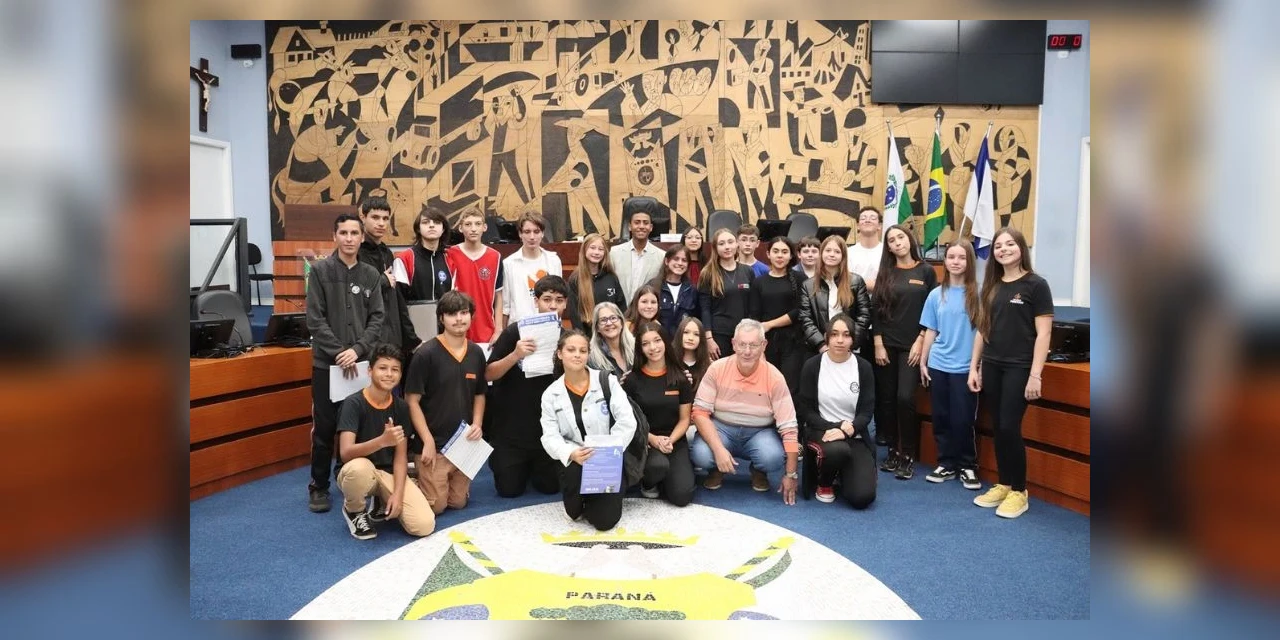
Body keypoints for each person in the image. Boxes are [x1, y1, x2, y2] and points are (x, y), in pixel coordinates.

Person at [968, 228, 1053, 519]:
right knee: (998, 426)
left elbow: (1044, 334)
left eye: (1010, 244)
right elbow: (983, 329)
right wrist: (974, 367)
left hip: (1020, 367)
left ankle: (1019, 491)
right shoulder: (991, 286)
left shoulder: (1036, 285)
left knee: (1009, 426)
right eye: (998, 246)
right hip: (992, 364)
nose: (1003, 249)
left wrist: (1036, 374)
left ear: (1021, 248)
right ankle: (1004, 483)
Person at [305, 213, 386, 513]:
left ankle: (352, 480)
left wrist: (358, 349)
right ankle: (319, 486)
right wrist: (341, 351)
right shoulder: (320, 271)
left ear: (362, 237)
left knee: (357, 427)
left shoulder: (371, 274)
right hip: (328, 366)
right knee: (325, 428)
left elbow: (377, 318)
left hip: (360, 366)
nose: (349, 238)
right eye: (344, 233)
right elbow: (314, 319)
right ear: (334, 236)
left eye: (354, 233)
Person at [689, 319, 801, 504]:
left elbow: (789, 427)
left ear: (764, 345)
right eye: (742, 344)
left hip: (759, 432)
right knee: (701, 455)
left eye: (753, 345)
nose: (747, 351)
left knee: (773, 458)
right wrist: (718, 450)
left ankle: (758, 470)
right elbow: (700, 412)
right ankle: (716, 468)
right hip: (721, 429)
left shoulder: (775, 377)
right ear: (733, 344)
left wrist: (791, 474)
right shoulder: (717, 369)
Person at [540, 330, 638, 530]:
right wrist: (571, 453)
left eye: (583, 350)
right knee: (574, 513)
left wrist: (606, 450)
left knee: (605, 521)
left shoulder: (607, 381)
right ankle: (580, 497)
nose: (577, 355)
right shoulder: (551, 394)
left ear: (588, 354)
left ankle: (603, 494)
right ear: (560, 354)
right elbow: (550, 436)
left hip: (607, 458)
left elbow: (627, 421)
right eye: (571, 350)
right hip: (575, 460)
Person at [335, 343, 434, 539]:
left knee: (424, 525)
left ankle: (382, 499)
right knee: (358, 469)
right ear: (370, 371)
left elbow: (400, 457)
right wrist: (382, 441)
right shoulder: (353, 403)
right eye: (382, 368)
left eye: (395, 370)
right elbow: (345, 453)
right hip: (360, 471)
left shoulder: (401, 407)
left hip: (388, 473)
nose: (389, 374)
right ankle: (354, 510)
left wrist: (397, 494)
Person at [485, 275, 572, 498]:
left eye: (559, 300)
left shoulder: (567, 339)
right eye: (547, 299)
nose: (553, 306)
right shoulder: (515, 332)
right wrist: (515, 355)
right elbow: (488, 373)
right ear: (536, 301)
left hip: (547, 431)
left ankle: (537, 467)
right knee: (509, 490)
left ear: (565, 304)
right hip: (511, 431)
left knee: (550, 487)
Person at [404, 291, 488, 515]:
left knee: (458, 503)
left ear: (471, 316)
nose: (459, 319)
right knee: (436, 506)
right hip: (434, 445)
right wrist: (427, 440)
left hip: (464, 444)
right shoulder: (425, 354)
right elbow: (411, 401)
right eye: (452, 314)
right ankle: (410, 479)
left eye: (464, 313)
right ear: (441, 318)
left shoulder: (476, 353)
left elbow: (480, 394)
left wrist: (477, 424)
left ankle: (439, 484)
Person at [872, 224, 938, 480]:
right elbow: (876, 310)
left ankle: (908, 454)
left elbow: (933, 310)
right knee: (887, 400)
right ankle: (892, 450)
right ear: (888, 247)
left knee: (904, 398)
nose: (897, 242)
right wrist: (878, 343)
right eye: (891, 240)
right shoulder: (886, 272)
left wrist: (921, 340)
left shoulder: (926, 271)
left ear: (909, 239)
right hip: (886, 345)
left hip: (913, 346)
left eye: (900, 237)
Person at [795, 315, 876, 508]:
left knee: (862, 498)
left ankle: (843, 473)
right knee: (838, 450)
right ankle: (824, 482)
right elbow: (806, 410)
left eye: (846, 335)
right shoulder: (812, 365)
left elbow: (867, 411)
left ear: (853, 339)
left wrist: (849, 429)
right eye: (835, 334)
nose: (840, 340)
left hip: (853, 433)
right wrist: (837, 427)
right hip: (822, 431)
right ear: (827, 337)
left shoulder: (863, 367)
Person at [920, 241, 981, 490]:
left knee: (963, 419)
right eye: (951, 257)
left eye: (961, 257)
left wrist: (976, 367)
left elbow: (983, 333)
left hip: (965, 368)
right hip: (938, 364)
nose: (956, 262)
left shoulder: (979, 294)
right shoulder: (936, 294)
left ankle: (967, 465)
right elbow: (930, 330)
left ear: (970, 261)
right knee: (941, 417)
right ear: (945, 261)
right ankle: (945, 463)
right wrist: (923, 361)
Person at [623, 322, 695, 506]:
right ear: (640, 348)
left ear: (665, 342)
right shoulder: (632, 380)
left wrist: (670, 440)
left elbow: (685, 419)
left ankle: (668, 477)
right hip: (645, 440)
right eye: (645, 343)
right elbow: (627, 421)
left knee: (682, 496)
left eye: (657, 340)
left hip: (674, 440)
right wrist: (653, 439)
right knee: (657, 466)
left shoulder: (681, 378)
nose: (653, 347)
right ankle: (648, 483)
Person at [357, 195, 420, 359]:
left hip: (391, 337)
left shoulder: (386, 253)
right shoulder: (354, 252)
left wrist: (410, 338)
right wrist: (382, 281)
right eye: (375, 217)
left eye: (385, 218)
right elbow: (352, 292)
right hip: (365, 340)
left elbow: (397, 299)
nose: (381, 223)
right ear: (363, 217)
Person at [750, 236, 807, 394]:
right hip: (767, 342)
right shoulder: (759, 282)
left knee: (789, 387)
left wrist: (770, 324)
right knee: (767, 386)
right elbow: (754, 314)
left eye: (784, 252)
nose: (780, 255)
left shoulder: (800, 279)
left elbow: (800, 311)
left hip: (794, 342)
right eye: (775, 251)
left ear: (791, 255)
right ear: (768, 254)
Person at [799, 235, 872, 353]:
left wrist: (850, 343)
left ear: (843, 256)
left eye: (837, 251)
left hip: (850, 348)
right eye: (828, 250)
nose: (832, 254)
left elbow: (864, 316)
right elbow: (805, 319)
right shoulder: (808, 285)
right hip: (820, 349)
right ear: (821, 253)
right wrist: (821, 345)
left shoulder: (856, 281)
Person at [445, 207, 504, 344]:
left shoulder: (495, 257)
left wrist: (498, 330)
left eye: (477, 224)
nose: (473, 229)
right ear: (460, 228)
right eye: (468, 224)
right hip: (457, 330)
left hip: (487, 332)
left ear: (484, 227)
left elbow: (499, 296)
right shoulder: (450, 254)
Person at [698, 228, 756, 359]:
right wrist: (709, 339)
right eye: (721, 243)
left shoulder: (748, 271)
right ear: (715, 248)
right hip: (719, 335)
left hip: (743, 333)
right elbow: (705, 309)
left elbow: (753, 305)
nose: (727, 247)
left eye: (730, 242)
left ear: (737, 244)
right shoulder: (708, 273)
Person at [500, 211, 563, 326]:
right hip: (519, 326)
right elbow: (505, 305)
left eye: (536, 231)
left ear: (542, 233)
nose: (532, 237)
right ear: (520, 234)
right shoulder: (509, 263)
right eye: (527, 232)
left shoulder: (553, 260)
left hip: (548, 324)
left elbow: (559, 297)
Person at [566, 233, 627, 335]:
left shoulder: (611, 277)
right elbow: (575, 316)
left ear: (605, 253)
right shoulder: (575, 279)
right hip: (588, 336)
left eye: (600, 249)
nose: (596, 252)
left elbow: (621, 307)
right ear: (584, 250)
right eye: (592, 248)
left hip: (611, 333)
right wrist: (583, 340)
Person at [395, 206, 452, 303]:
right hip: (413, 312)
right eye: (425, 222)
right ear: (418, 228)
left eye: (437, 222)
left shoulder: (450, 258)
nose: (431, 225)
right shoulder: (405, 259)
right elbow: (399, 299)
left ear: (443, 229)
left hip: (445, 312)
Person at [609, 207, 664, 304]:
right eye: (637, 222)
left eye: (645, 223)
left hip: (646, 310)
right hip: (619, 309)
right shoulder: (614, 253)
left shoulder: (661, 256)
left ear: (651, 227)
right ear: (630, 226)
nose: (641, 226)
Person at [652, 245, 700, 338]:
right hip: (658, 341)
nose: (680, 263)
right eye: (676, 259)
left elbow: (697, 320)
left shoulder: (692, 290)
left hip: (683, 342)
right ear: (667, 261)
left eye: (684, 260)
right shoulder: (653, 286)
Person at [587, 302, 634, 376]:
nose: (609, 323)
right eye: (603, 320)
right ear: (597, 328)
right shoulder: (592, 358)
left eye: (613, 318)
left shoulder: (636, 348)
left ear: (621, 323)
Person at [846, 206, 884, 291]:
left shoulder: (887, 251)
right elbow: (846, 282)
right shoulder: (848, 252)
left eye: (873, 218)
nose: (867, 220)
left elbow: (892, 282)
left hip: (883, 298)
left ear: (879, 225)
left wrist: (861, 285)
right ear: (858, 226)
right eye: (863, 218)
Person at [671, 316, 711, 391]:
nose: (691, 338)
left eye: (696, 334)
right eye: (686, 332)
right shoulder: (669, 361)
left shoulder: (708, 367)